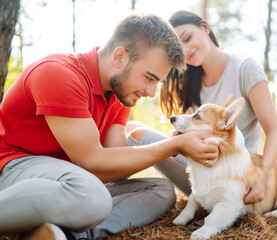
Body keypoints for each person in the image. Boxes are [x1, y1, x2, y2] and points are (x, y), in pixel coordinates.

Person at [0, 13, 220, 240]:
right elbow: (93, 163)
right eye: (148, 78)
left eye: (157, 83)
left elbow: (112, 167)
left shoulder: (120, 94)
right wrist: (173, 146)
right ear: (120, 57)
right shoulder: (59, 74)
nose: (150, 92)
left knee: (161, 191)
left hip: (69, 180)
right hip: (12, 165)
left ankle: (60, 233)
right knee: (92, 196)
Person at [129, 10, 277, 205]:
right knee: (132, 128)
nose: (185, 50)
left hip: (236, 175)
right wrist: (179, 138)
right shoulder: (189, 83)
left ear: (205, 27)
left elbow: (275, 132)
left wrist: (262, 178)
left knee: (137, 133)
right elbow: (187, 139)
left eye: (188, 38)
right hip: (202, 172)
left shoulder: (245, 69)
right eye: (179, 47)